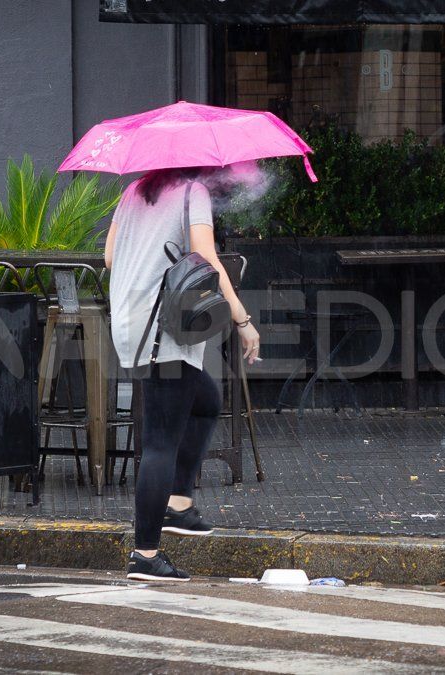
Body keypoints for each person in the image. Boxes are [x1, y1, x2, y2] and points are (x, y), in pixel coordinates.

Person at [104, 166, 260, 582]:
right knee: (160, 442)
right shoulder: (193, 193)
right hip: (166, 329)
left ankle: (178, 502)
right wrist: (241, 320)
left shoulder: (134, 191)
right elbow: (207, 259)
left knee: (206, 401)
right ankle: (145, 553)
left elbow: (109, 256)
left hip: (131, 321)